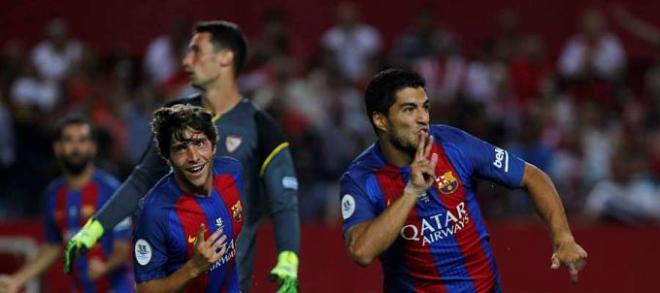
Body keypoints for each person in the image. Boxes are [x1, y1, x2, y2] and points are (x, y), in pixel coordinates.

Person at [65, 20, 300, 292]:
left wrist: (288, 261)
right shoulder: (175, 117)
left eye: (196, 52)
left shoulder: (261, 127)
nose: (186, 61)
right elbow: (141, 180)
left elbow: (284, 202)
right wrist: (94, 229)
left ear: (226, 58)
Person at [339, 69, 588, 291]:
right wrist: (411, 191)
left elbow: (533, 176)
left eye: (425, 107)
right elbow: (361, 252)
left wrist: (563, 238)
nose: (423, 118)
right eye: (409, 109)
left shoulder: (453, 144)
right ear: (380, 120)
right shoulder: (361, 179)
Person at [0, 115, 133, 293]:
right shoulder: (52, 195)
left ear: (93, 148)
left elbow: (123, 247)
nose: (76, 147)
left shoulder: (112, 191)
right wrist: (16, 280)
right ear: (58, 148)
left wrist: (105, 266)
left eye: (82, 140)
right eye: (69, 140)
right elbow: (52, 246)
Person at [134, 104, 243, 291]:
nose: (193, 157)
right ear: (168, 158)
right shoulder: (155, 213)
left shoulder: (232, 173)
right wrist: (194, 268)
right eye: (181, 148)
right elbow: (144, 289)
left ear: (213, 146)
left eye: (200, 143)